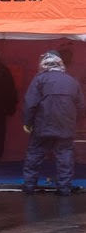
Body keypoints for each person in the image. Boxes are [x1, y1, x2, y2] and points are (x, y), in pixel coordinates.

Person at [21, 50, 85, 196]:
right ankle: (64, 188)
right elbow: (81, 106)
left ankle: (29, 187)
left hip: (42, 126)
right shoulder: (72, 81)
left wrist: (27, 122)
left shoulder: (39, 79)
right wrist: (75, 122)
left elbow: (30, 103)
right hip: (65, 127)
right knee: (65, 157)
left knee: (34, 155)